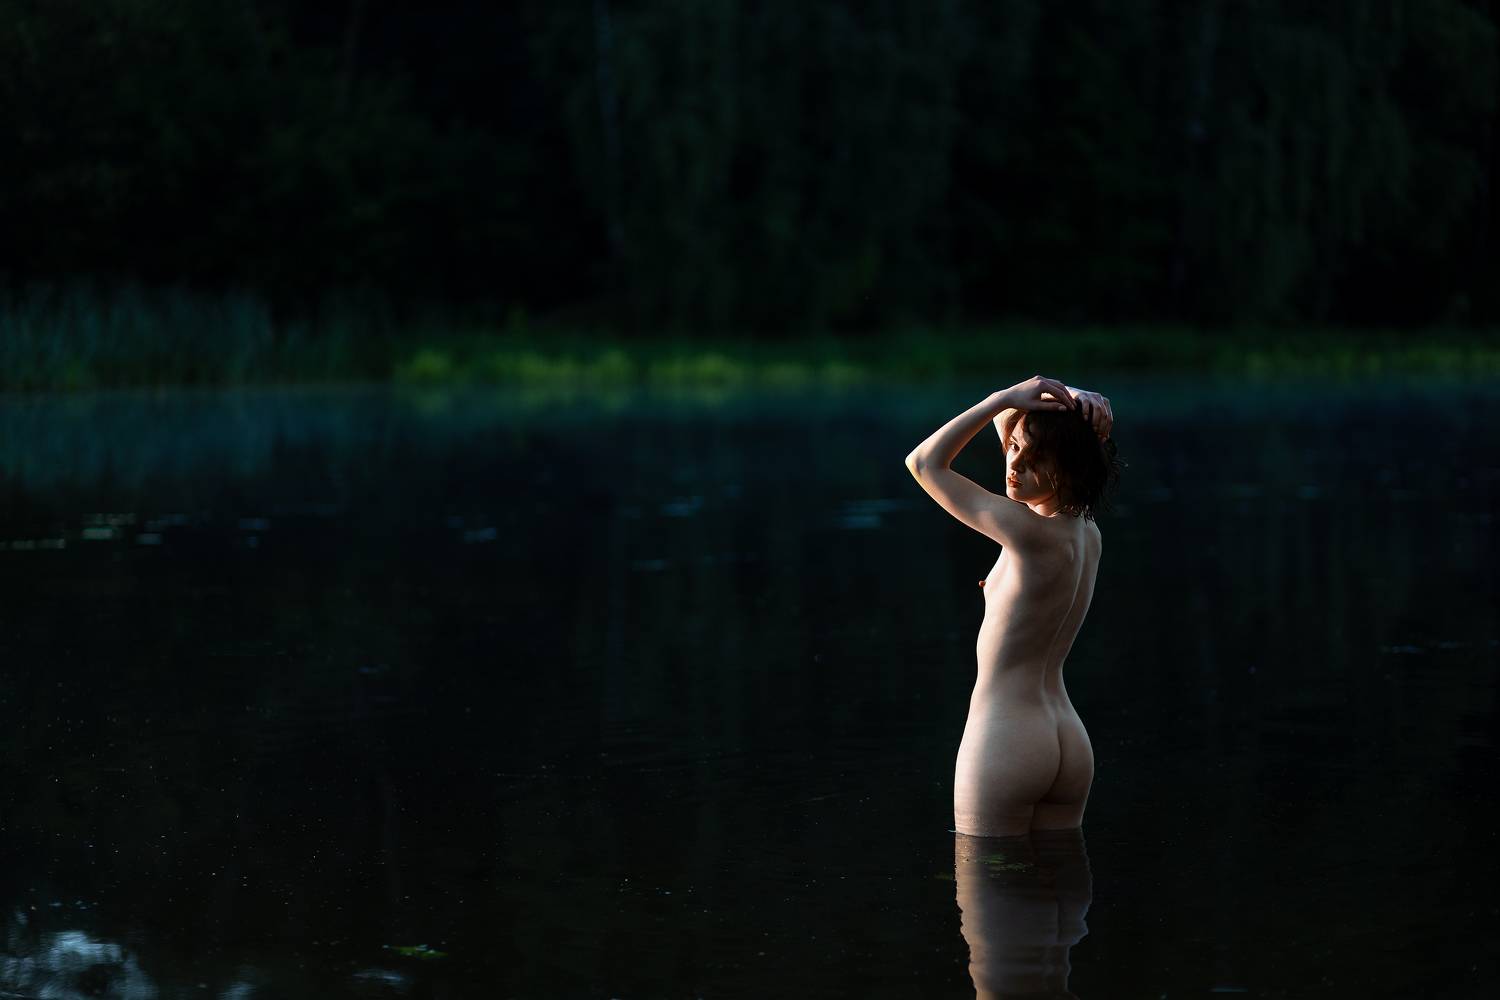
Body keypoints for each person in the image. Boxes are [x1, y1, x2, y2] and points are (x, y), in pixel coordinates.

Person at [904, 376, 1120, 838]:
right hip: (1068, 738)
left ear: (1068, 468)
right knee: (1064, 880)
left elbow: (923, 462)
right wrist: (1073, 400)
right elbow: (1016, 423)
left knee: (983, 876)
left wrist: (998, 398)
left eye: (1034, 458)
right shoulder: (1087, 534)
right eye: (1015, 449)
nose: (1015, 464)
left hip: (1008, 738)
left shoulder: (1026, 533)